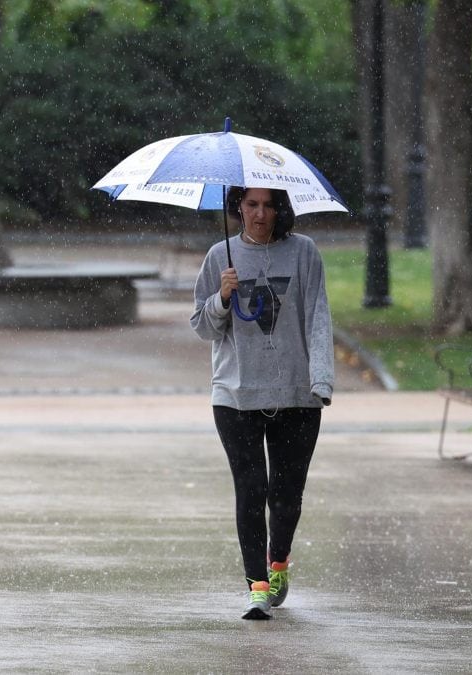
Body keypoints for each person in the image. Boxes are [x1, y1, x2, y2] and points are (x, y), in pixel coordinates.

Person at [190, 186, 334, 620]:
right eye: (251, 205)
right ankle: (255, 586)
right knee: (251, 491)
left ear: (280, 209)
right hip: (236, 394)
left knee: (285, 495)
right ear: (238, 208)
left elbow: (318, 315)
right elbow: (202, 326)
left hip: (297, 393)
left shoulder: (304, 252)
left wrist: (321, 378)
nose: (260, 213)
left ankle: (278, 564)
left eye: (269, 205)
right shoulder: (221, 255)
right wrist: (222, 298)